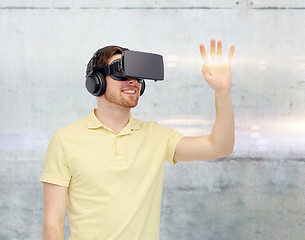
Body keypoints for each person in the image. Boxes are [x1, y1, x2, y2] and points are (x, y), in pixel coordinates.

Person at [40, 39, 235, 240]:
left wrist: (222, 92)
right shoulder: (65, 139)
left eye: (137, 76)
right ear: (96, 81)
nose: (132, 81)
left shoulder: (157, 136)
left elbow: (219, 147)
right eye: (121, 73)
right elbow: (53, 226)